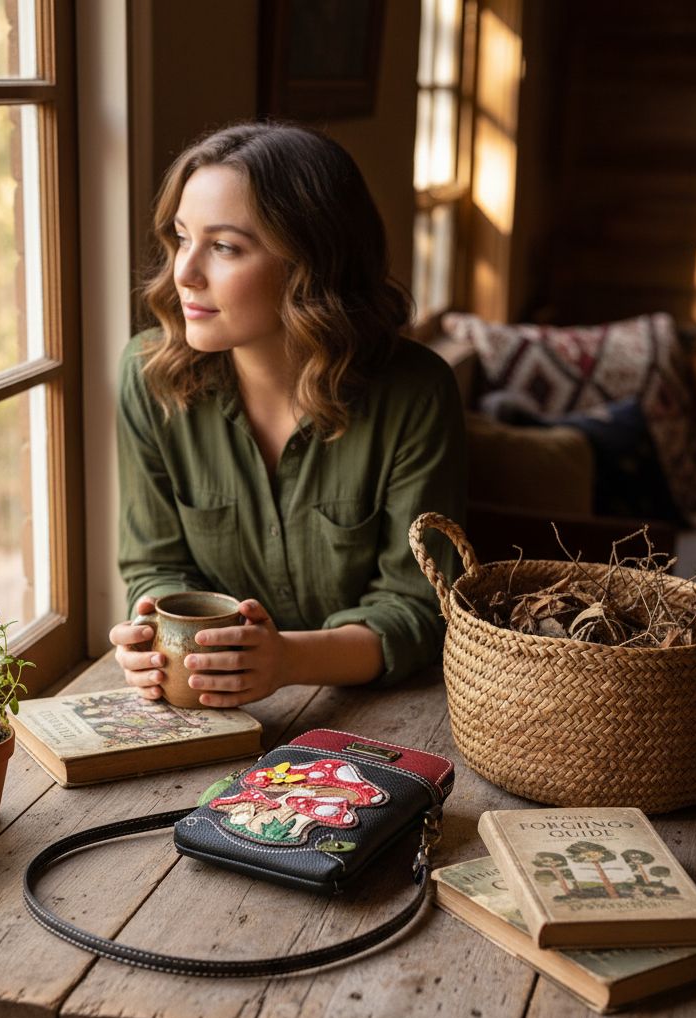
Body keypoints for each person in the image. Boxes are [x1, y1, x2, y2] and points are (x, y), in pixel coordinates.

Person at [108, 120, 465, 709]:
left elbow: (420, 605)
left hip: (394, 709)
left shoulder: (416, 393)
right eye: (181, 237)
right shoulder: (150, 378)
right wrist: (149, 638)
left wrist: (289, 660)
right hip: (212, 711)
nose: (184, 272)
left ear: (311, 262)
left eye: (224, 247)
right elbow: (155, 565)